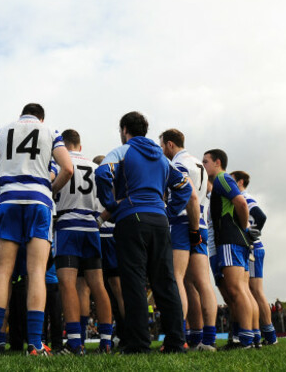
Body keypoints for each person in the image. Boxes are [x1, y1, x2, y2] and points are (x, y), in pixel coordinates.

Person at [0, 103, 73, 356]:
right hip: (38, 202)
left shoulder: (3, 130)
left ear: (21, 115)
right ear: (41, 117)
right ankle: (35, 344)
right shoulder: (50, 131)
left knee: (2, 275)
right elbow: (68, 169)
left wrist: (7, 179)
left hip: (8, 201)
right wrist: (49, 190)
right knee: (36, 274)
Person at [95, 111, 192, 354]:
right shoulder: (161, 156)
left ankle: (139, 343)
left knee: (134, 282)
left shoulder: (124, 151)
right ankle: (175, 342)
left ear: (125, 130)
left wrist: (112, 206)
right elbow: (183, 187)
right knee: (166, 282)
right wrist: (169, 212)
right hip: (159, 220)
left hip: (132, 219)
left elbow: (102, 172)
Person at [53, 129, 113, 355]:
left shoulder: (58, 164)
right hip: (90, 226)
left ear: (63, 145)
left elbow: (51, 187)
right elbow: (111, 199)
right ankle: (106, 341)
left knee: (68, 284)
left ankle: (75, 343)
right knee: (97, 284)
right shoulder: (96, 167)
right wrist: (98, 221)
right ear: (80, 144)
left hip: (68, 225)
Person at [160, 129, 218, 351]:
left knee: (176, 278)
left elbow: (190, 195)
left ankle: (177, 337)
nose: (163, 150)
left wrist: (190, 227)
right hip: (200, 224)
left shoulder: (178, 164)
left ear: (170, 145)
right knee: (199, 283)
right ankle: (205, 338)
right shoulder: (199, 164)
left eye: (163, 145)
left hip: (184, 223)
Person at [202, 149, 257, 349]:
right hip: (232, 241)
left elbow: (241, 202)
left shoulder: (222, 178)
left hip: (229, 240)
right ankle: (248, 337)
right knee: (239, 291)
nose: (203, 165)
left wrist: (243, 227)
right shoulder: (217, 184)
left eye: (206, 161)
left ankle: (246, 339)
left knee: (237, 290)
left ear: (217, 162)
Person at [230, 170, 277, 345]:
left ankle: (270, 336)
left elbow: (261, 216)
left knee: (256, 291)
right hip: (250, 248)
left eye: (233, 181)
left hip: (253, 249)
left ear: (241, 182)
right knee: (249, 292)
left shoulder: (245, 197)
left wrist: (251, 234)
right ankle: (258, 334)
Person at [92, 155, 125, 348]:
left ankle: (113, 334)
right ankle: (123, 333)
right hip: (112, 236)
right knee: (116, 288)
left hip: (99, 234)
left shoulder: (95, 181)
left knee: (95, 286)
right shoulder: (116, 183)